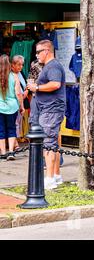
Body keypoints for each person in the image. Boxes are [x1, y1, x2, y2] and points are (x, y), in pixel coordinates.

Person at [27, 40, 66, 190]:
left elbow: (55, 84)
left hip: (50, 110)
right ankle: (56, 175)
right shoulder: (49, 66)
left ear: (47, 51)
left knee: (48, 143)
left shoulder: (53, 66)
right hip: (48, 109)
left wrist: (36, 87)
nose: (36, 55)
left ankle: (49, 179)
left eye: (38, 52)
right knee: (53, 142)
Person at [0, 55, 23, 160]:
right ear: (9, 64)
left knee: (1, 130)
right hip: (12, 107)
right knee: (11, 129)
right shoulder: (14, 76)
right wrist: (21, 106)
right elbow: (18, 94)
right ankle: (11, 152)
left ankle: (3, 152)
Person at [11, 55, 28, 147]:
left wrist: (26, 91)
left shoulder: (21, 73)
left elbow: (26, 85)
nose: (21, 67)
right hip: (14, 102)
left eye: (22, 65)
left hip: (21, 100)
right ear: (12, 65)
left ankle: (15, 142)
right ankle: (15, 144)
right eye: (18, 64)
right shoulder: (10, 74)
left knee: (18, 123)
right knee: (14, 123)